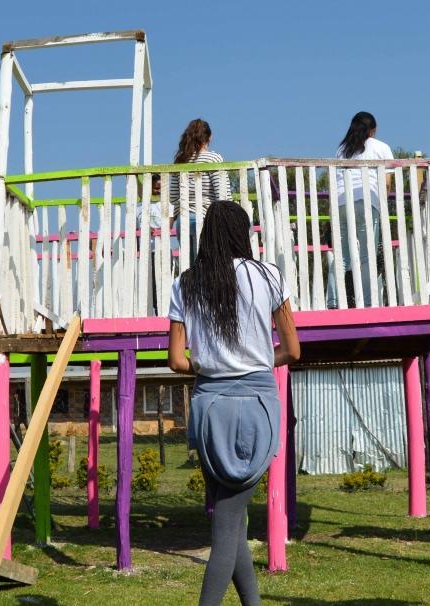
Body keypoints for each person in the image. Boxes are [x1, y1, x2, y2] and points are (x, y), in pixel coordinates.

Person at [167, 201, 300, 606]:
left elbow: (175, 361)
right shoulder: (269, 276)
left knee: (229, 520)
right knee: (228, 524)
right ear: (244, 234)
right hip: (257, 402)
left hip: (208, 405)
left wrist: (210, 364)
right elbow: (293, 349)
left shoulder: (185, 282)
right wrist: (258, 361)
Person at [327, 111, 394, 309]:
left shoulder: (343, 148)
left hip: (340, 203)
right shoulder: (381, 147)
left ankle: (333, 301)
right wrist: (382, 204)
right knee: (367, 256)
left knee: (341, 256)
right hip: (366, 202)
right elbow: (387, 183)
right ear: (373, 130)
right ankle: (367, 302)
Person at [166, 118, 232, 258]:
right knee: (209, 266)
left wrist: (171, 221)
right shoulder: (213, 158)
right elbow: (222, 193)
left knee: (190, 267)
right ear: (210, 137)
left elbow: (173, 197)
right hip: (207, 219)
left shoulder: (180, 161)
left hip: (183, 221)